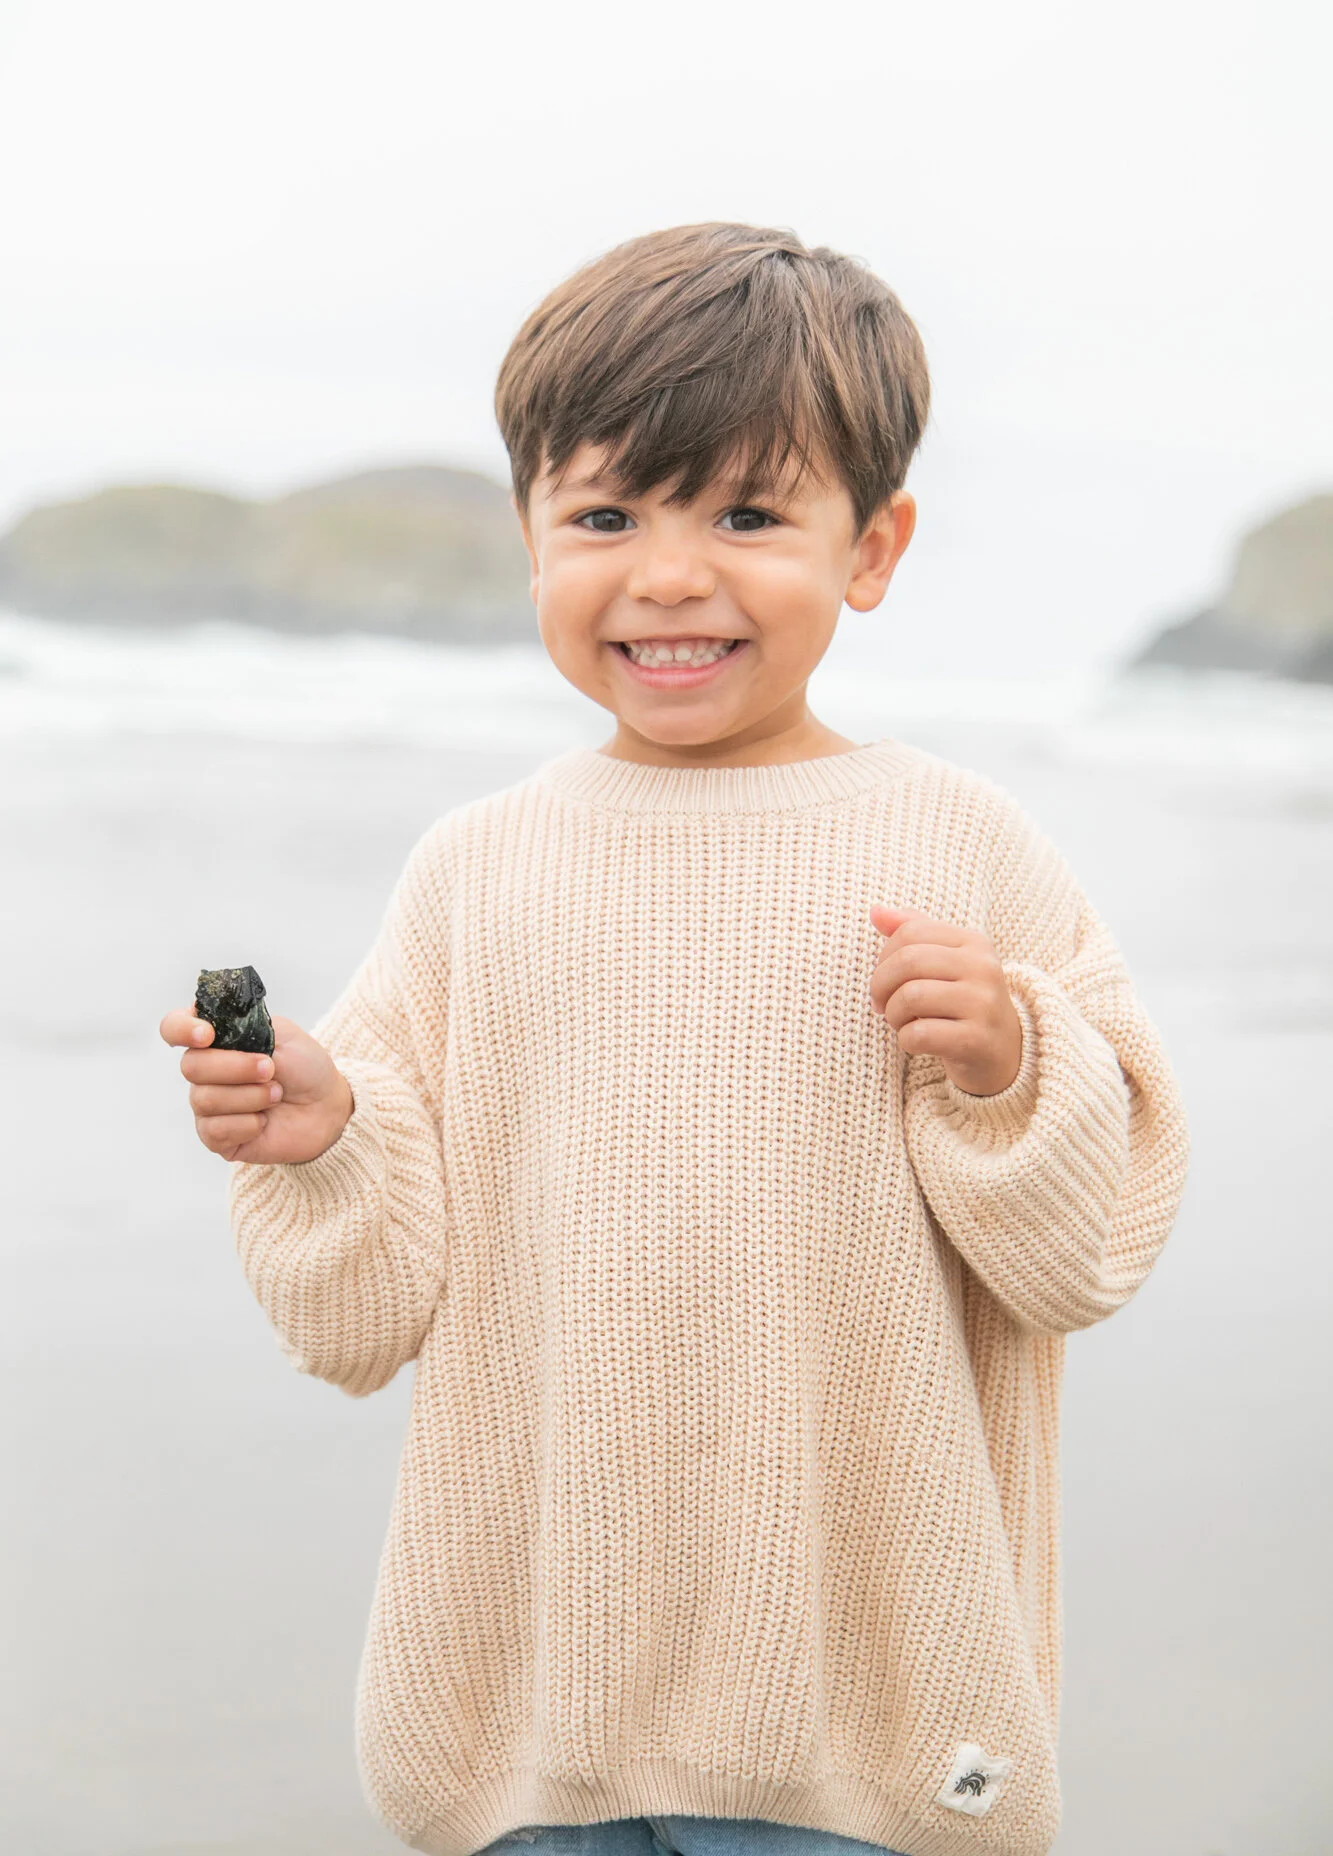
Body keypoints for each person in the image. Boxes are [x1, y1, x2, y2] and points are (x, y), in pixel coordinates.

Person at [159, 223, 1189, 1856]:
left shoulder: (959, 843)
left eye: (750, 514)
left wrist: (1013, 1065)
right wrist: (330, 1129)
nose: (669, 573)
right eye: (607, 514)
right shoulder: (475, 869)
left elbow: (1093, 1244)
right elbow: (361, 1317)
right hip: (530, 1720)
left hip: (878, 1716)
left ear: (875, 547)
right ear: (530, 536)